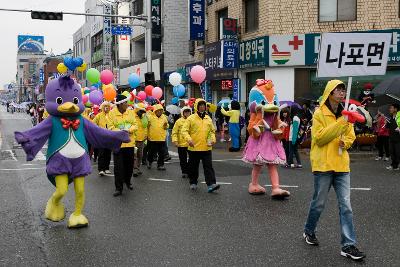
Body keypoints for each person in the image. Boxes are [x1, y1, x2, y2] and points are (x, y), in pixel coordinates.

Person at [303, 80, 366, 261]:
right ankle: (309, 230)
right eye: (338, 90)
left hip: (341, 165)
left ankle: (348, 245)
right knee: (319, 203)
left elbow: (350, 135)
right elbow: (320, 138)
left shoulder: (346, 112)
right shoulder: (318, 113)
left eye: (343, 89)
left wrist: (345, 142)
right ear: (330, 93)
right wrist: (341, 122)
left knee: (346, 206)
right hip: (323, 165)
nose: (342, 92)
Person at [181, 99, 220, 192]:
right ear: (196, 107)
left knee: (208, 166)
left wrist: (213, 140)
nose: (202, 107)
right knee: (193, 166)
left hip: (206, 147)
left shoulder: (208, 118)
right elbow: (184, 131)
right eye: (200, 105)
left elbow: (212, 131)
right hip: (194, 147)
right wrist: (189, 139)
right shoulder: (191, 118)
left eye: (204, 105)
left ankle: (211, 184)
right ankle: (193, 182)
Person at [108, 94, 136, 197]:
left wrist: (128, 130)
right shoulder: (112, 113)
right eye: (125, 103)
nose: (127, 104)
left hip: (129, 143)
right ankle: (118, 188)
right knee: (118, 168)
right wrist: (120, 132)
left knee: (129, 166)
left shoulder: (131, 112)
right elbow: (110, 127)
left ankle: (128, 182)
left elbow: (135, 125)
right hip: (117, 145)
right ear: (119, 104)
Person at [93, 101, 113, 176]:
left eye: (108, 106)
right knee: (101, 153)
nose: (106, 107)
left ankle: (106, 168)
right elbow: (94, 124)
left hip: (109, 137)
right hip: (101, 137)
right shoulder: (98, 115)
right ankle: (101, 169)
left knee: (108, 153)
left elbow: (114, 123)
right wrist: (98, 130)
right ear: (102, 107)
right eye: (105, 106)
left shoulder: (111, 115)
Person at [172, 106, 192, 178]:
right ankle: (184, 171)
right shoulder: (178, 121)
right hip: (181, 144)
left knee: (192, 159)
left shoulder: (193, 120)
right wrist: (175, 141)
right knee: (182, 159)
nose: (187, 113)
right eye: (185, 112)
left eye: (188, 112)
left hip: (191, 143)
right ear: (182, 113)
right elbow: (174, 132)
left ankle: (190, 171)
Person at [147, 104, 168, 171]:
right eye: (158, 110)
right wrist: (146, 135)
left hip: (161, 138)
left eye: (161, 110)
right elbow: (147, 126)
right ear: (155, 111)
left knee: (161, 153)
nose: (160, 112)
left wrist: (166, 126)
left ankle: (160, 165)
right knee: (151, 152)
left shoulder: (164, 117)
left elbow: (166, 126)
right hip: (152, 138)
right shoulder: (150, 117)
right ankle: (150, 162)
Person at [133, 103, 148, 177]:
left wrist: (146, 135)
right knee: (134, 155)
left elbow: (145, 127)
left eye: (143, 111)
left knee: (140, 155)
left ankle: (138, 168)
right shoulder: (132, 116)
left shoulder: (144, 117)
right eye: (141, 111)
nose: (142, 113)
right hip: (134, 140)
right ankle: (135, 169)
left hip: (141, 139)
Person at [386, 103, 400, 170]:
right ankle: (394, 165)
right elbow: (388, 127)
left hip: (398, 138)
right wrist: (387, 123)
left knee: (397, 152)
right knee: (392, 152)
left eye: (391, 108)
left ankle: (396, 165)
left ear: (395, 109)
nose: (390, 109)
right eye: (390, 108)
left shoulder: (399, 117)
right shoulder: (391, 117)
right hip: (391, 137)